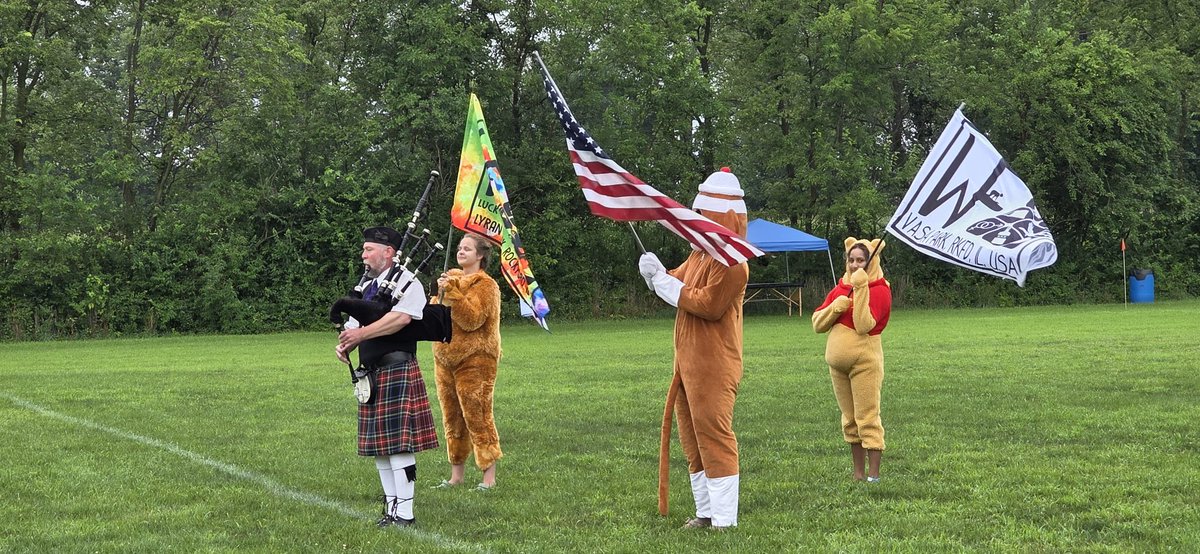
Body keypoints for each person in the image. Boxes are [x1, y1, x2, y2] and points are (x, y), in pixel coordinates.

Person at [638, 167, 750, 530]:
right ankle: (706, 511)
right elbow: (678, 280)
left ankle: (724, 519)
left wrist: (663, 283)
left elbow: (708, 304)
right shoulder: (701, 255)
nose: (695, 220)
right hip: (686, 365)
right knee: (692, 439)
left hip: (714, 364)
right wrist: (656, 273)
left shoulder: (733, 264)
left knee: (714, 435)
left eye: (703, 214)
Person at [335, 226, 440, 527]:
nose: (363, 255)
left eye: (368, 249)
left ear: (388, 252)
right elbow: (354, 325)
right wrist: (345, 344)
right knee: (380, 449)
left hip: (397, 369)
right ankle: (391, 509)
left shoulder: (407, 281)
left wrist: (360, 335)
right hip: (372, 373)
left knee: (398, 446)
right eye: (364, 249)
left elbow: (401, 318)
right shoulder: (368, 287)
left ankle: (405, 514)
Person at [811, 238, 892, 483]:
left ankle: (873, 476)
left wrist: (861, 288)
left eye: (861, 260)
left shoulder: (880, 290)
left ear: (871, 262)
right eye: (851, 260)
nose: (855, 265)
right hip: (838, 367)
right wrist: (835, 307)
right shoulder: (840, 288)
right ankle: (858, 474)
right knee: (850, 419)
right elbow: (817, 324)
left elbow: (864, 325)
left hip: (864, 363)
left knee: (867, 417)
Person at [430, 233, 503, 490]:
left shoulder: (486, 285)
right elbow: (435, 315)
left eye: (467, 249)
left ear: (480, 255)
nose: (461, 252)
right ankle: (456, 475)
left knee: (477, 414)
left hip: (475, 359)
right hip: (445, 359)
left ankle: (488, 477)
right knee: (452, 417)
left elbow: (472, 320)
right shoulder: (450, 279)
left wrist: (452, 293)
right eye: (460, 248)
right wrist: (439, 293)